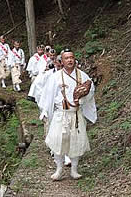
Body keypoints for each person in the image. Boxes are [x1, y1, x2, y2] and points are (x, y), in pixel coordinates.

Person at [40, 49, 97, 181]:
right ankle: (59, 169)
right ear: (62, 61)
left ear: (74, 59)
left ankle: (74, 170)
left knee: (76, 141)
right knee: (58, 140)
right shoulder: (55, 77)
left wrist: (82, 97)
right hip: (61, 113)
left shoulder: (83, 76)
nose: (70, 60)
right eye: (66, 58)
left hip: (76, 114)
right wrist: (45, 111)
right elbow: (47, 95)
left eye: (71, 57)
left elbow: (91, 91)